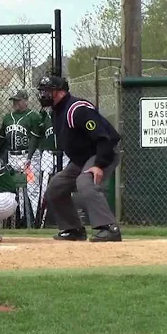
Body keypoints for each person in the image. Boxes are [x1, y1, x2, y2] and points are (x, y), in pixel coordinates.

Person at [37, 75, 122, 242]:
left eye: (48, 91)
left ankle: (108, 228)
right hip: (82, 159)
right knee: (56, 187)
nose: (43, 95)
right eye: (42, 91)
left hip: (103, 152)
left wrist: (98, 164)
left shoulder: (77, 109)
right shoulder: (56, 112)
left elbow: (104, 138)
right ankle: (73, 229)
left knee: (85, 181)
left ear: (60, 92)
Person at [0, 90, 41, 227]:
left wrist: (29, 157)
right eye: (14, 101)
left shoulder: (33, 116)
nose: (15, 103)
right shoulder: (7, 118)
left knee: (32, 187)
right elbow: (2, 140)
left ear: (26, 101)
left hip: (29, 157)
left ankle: (35, 219)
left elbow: (36, 138)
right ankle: (21, 219)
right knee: (17, 189)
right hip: (12, 157)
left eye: (18, 100)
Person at [34, 108, 70, 227]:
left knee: (65, 187)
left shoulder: (66, 113)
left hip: (64, 154)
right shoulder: (43, 116)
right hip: (48, 154)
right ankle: (40, 222)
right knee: (44, 187)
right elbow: (36, 135)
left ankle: (66, 221)